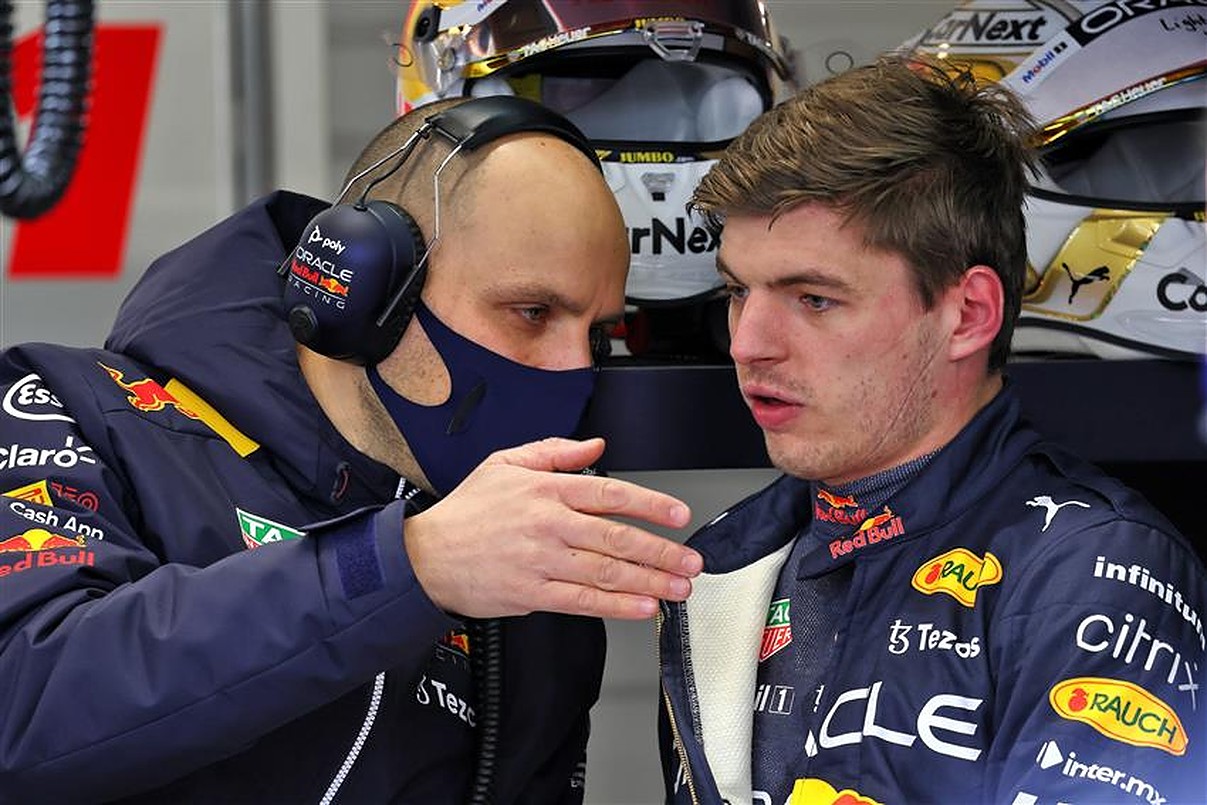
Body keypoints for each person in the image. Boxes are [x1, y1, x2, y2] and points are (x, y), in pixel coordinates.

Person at [0, 95, 703, 803]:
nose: (573, 369)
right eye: (532, 312)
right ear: (365, 288)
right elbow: (23, 708)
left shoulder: (522, 555)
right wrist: (405, 565)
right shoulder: (71, 410)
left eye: (597, 333)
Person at [657, 55, 1207, 805]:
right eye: (736, 291)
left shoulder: (1092, 572)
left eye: (813, 299)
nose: (747, 343)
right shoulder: (726, 558)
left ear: (967, 314)